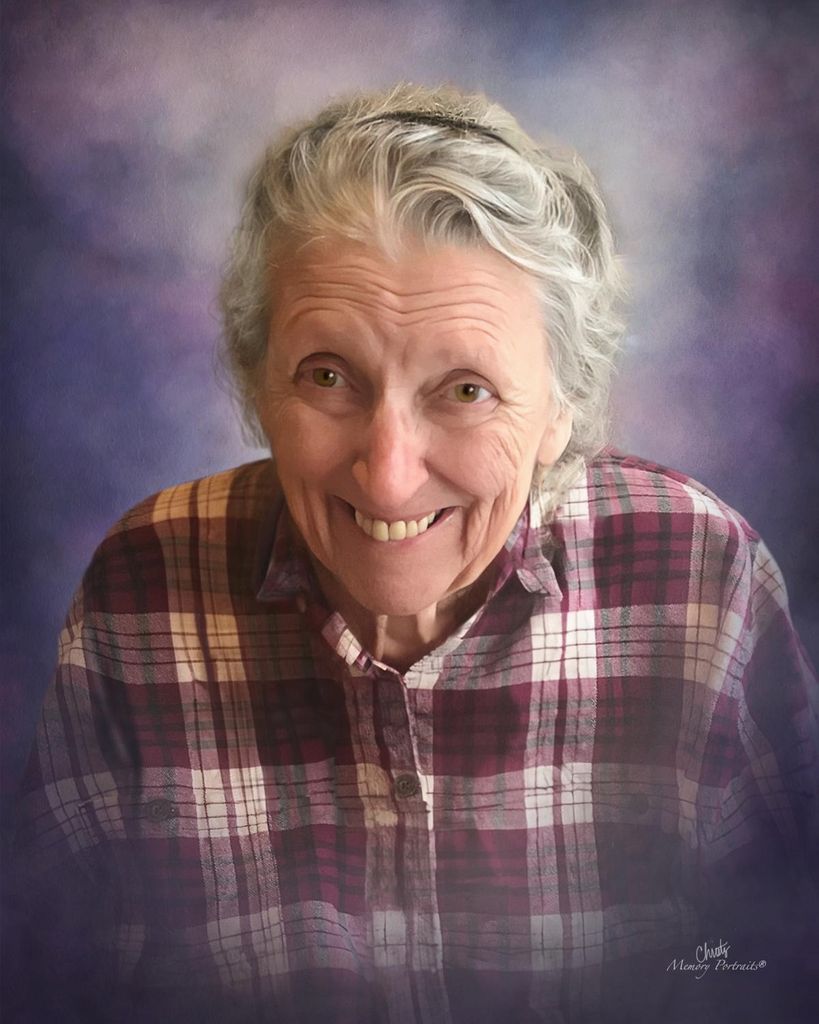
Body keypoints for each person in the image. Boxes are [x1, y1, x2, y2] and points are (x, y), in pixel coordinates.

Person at [10, 84, 818, 1024]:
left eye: (466, 389)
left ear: (560, 410)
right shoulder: (144, 584)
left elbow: (779, 968)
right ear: (258, 383)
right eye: (327, 376)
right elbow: (50, 979)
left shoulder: (698, 577)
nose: (388, 478)